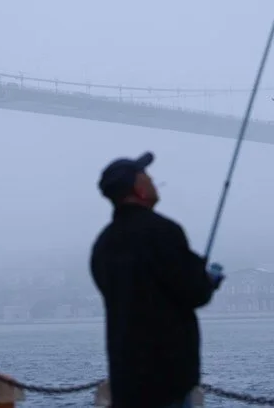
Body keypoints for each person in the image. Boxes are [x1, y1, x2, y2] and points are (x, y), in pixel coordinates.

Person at [90, 151, 225, 408]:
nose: (153, 181)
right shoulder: (164, 232)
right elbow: (195, 293)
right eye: (147, 176)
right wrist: (206, 279)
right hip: (168, 378)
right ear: (139, 188)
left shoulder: (103, 244)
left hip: (126, 379)